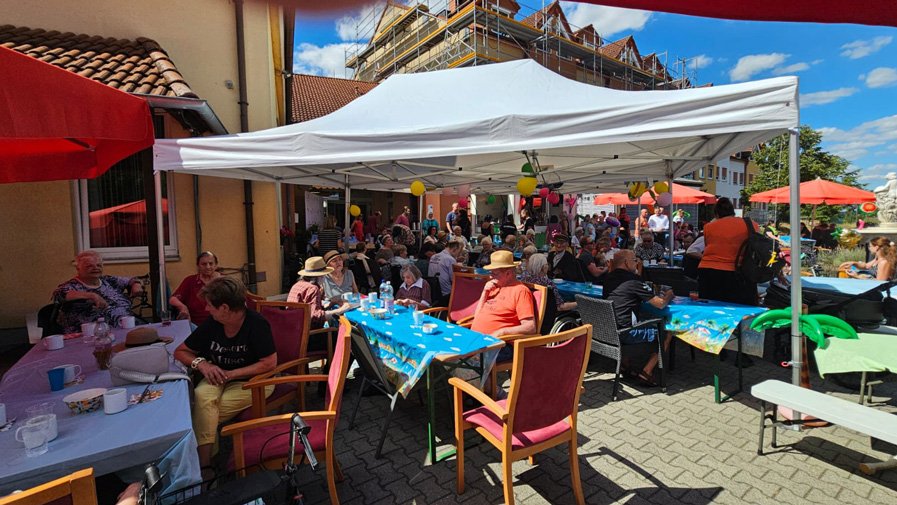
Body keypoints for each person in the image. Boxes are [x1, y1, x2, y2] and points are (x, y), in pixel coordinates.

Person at [173, 277, 277, 468]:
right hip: (217, 377)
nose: (206, 309)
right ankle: (205, 464)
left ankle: (203, 465)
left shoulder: (256, 324)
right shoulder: (213, 323)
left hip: (254, 382)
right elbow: (180, 351)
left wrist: (232, 374)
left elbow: (269, 363)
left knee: (204, 412)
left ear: (225, 308)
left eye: (210, 305)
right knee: (201, 395)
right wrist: (202, 364)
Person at [601, 250, 674, 386]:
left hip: (608, 331)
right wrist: (669, 294)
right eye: (635, 260)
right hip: (624, 333)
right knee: (666, 331)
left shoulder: (608, 278)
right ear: (626, 262)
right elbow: (660, 304)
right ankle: (646, 372)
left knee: (627, 317)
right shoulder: (633, 281)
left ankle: (625, 364)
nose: (637, 262)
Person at [52, 250, 144, 332]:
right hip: (90, 336)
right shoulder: (72, 286)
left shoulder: (108, 280)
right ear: (78, 268)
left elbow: (131, 279)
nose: (95, 268)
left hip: (126, 328)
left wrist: (136, 285)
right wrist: (92, 296)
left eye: (99, 265)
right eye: (89, 266)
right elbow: (59, 294)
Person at [471, 250, 537, 360]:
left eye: (494, 273)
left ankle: (481, 376)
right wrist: (484, 292)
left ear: (508, 273)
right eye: (490, 273)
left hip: (501, 345)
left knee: (462, 360)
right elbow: (477, 315)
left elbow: (530, 327)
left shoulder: (520, 291)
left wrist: (502, 332)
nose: (491, 277)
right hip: (478, 339)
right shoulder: (494, 286)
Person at [698, 197, 758, 305]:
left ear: (716, 214)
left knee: (711, 307)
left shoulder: (709, 227)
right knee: (740, 307)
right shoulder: (751, 224)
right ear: (733, 211)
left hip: (709, 270)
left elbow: (708, 245)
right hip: (739, 271)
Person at [287, 256, 353, 328]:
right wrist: (341, 309)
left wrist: (331, 304)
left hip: (293, 327)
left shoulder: (297, 285)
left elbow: (310, 310)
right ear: (320, 276)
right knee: (341, 328)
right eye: (324, 275)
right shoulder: (313, 288)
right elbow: (316, 317)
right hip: (307, 332)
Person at [169, 251, 221, 326]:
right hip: (196, 324)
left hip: (219, 324)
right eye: (204, 264)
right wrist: (183, 307)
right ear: (198, 266)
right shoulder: (190, 280)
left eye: (211, 263)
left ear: (216, 265)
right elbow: (173, 299)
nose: (208, 267)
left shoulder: (223, 281)